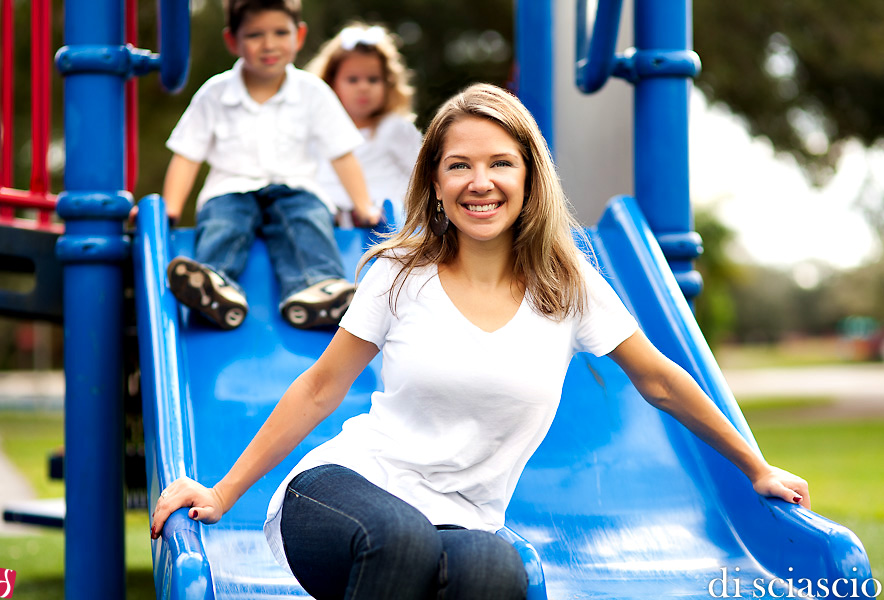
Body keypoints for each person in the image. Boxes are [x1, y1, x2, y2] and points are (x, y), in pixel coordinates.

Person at [150, 83, 811, 599]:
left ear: (528, 179)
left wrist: (755, 466)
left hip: (464, 519)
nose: (480, 181)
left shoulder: (569, 286)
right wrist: (219, 493)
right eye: (458, 165)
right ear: (436, 184)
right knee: (401, 543)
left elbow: (661, 379)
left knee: (496, 571)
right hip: (342, 494)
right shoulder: (399, 274)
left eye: (500, 163)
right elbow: (321, 388)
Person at [159, 0, 381, 331]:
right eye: (254, 34)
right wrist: (170, 210)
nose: (269, 44)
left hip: (295, 188)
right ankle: (214, 284)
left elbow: (341, 154)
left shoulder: (312, 92)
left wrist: (363, 206)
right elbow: (187, 156)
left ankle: (318, 287)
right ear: (232, 41)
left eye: (280, 32)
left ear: (299, 35)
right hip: (231, 189)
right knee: (223, 224)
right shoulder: (214, 94)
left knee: (307, 220)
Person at [305, 22, 422, 229]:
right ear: (331, 84)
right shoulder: (316, 132)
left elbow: (422, 174)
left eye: (373, 79)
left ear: (388, 83)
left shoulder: (394, 128)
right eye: (352, 80)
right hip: (329, 226)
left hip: (386, 229)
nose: (363, 87)